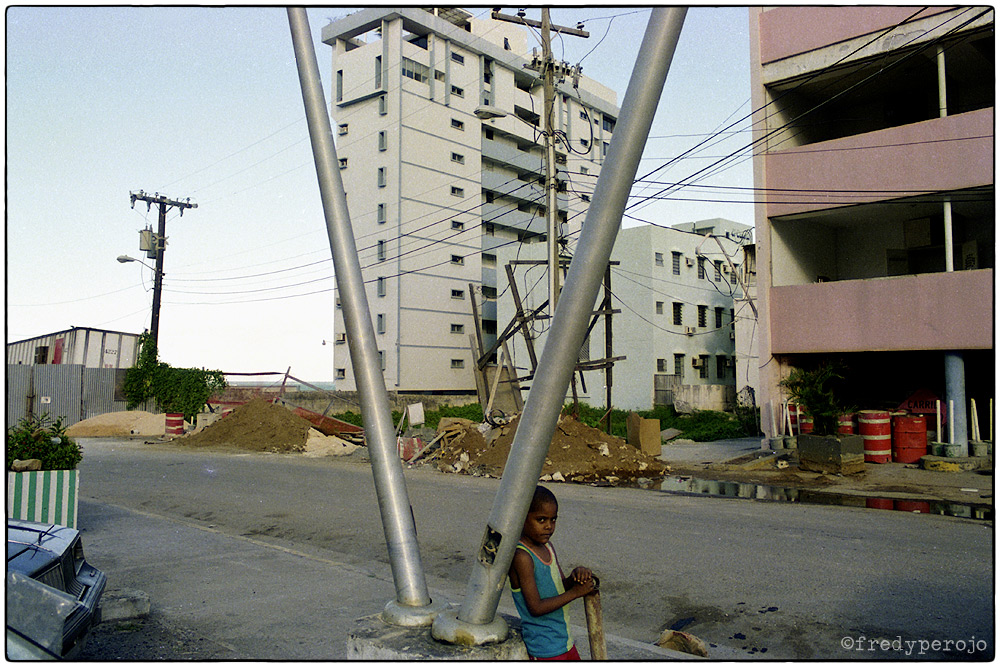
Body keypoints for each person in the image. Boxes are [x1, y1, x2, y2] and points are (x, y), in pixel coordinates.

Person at [509, 485, 595, 660]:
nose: (548, 526)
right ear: (522, 517)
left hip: (563, 641)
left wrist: (575, 578)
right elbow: (536, 607)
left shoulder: (547, 547)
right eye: (541, 520)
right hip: (545, 647)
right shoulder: (522, 556)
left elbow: (558, 588)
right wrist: (575, 593)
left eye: (553, 520)